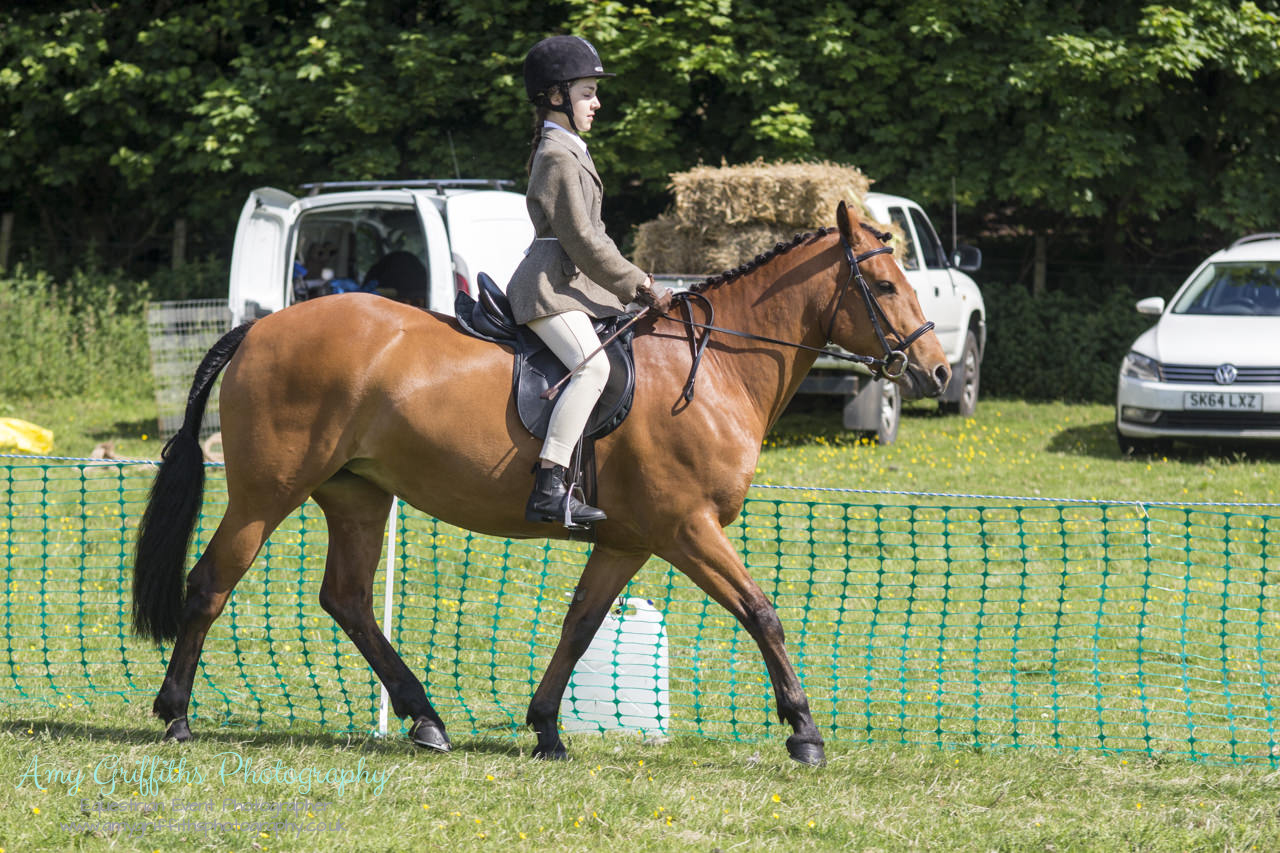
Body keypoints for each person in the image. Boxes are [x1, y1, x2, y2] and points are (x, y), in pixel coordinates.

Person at [506, 35, 672, 528]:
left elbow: (595, 236)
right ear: (556, 96)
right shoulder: (557, 155)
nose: (596, 103)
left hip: (572, 284)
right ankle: (550, 484)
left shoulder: (569, 148)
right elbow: (582, 239)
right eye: (586, 93)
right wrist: (639, 284)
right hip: (549, 287)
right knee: (592, 368)